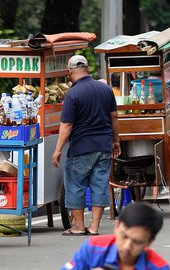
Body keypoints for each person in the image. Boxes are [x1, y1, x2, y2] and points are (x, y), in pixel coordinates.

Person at [52, 55, 121, 236]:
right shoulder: (105, 89)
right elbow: (114, 117)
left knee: (76, 185)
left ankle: (79, 226)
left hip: (81, 148)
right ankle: (95, 226)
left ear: (69, 72)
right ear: (88, 69)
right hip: (104, 146)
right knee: (99, 185)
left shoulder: (73, 94)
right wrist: (116, 141)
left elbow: (67, 125)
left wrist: (58, 150)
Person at [61, 202, 169, 270]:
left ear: (150, 241)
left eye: (137, 242)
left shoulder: (158, 267)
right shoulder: (93, 247)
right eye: (124, 236)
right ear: (116, 227)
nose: (127, 246)